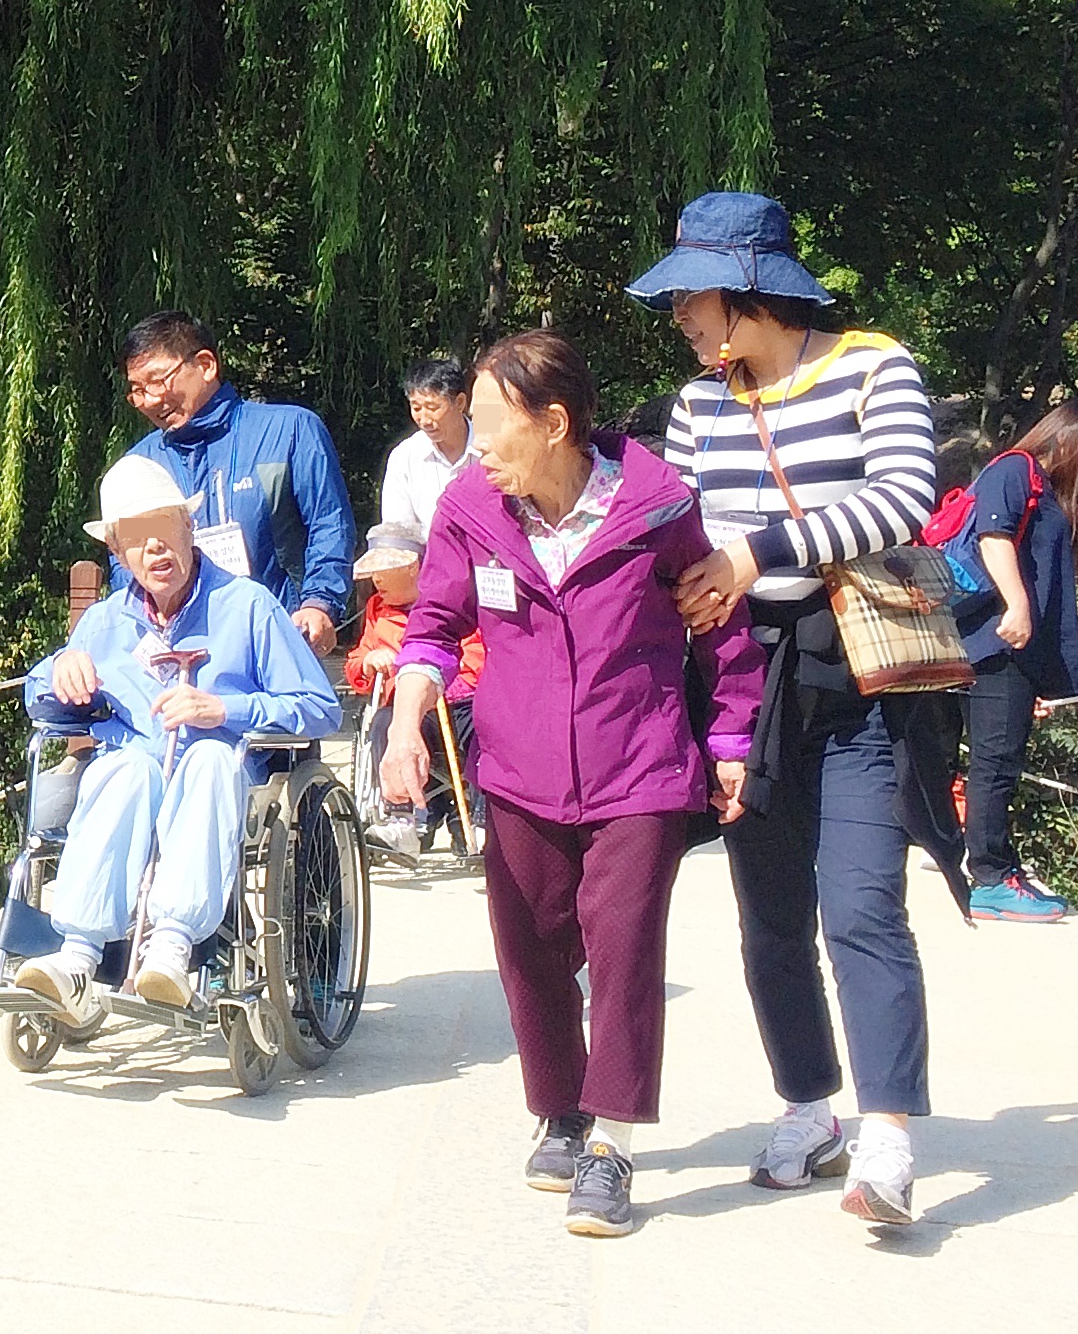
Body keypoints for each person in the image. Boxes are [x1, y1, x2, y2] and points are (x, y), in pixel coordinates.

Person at [383, 331, 761, 1239]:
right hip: (518, 769)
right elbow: (432, 625)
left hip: (638, 766)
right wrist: (403, 724)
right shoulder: (471, 507)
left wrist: (731, 735)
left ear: (552, 423)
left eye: (488, 424)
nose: (474, 444)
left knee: (623, 950)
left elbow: (719, 622)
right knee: (529, 945)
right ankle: (559, 1110)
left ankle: (611, 1144)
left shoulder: (655, 507)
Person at [632, 189, 963, 1227]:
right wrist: (685, 579)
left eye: (690, 297)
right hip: (742, 678)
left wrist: (753, 553)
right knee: (769, 919)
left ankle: (887, 1137)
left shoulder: (872, 365)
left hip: (854, 674)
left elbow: (902, 497)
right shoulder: (697, 404)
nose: (678, 317)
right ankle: (807, 1104)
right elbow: (675, 522)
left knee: (862, 906)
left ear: (748, 291)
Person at [14, 456, 342, 1017]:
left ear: (190, 529)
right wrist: (58, 670)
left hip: (225, 780)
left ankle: (171, 948)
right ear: (117, 551)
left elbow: (320, 708)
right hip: (134, 779)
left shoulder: (248, 606)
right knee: (123, 767)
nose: (155, 549)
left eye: (166, 529)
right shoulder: (104, 623)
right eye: (136, 539)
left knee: (209, 756)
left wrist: (225, 708)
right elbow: (38, 700)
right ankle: (77, 956)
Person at [120, 311, 358, 656]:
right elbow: (124, 557)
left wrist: (319, 602)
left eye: (157, 382)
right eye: (137, 391)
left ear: (206, 365)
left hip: (279, 639)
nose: (149, 401)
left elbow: (329, 523)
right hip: (179, 650)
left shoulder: (289, 431)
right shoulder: (140, 464)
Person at [957, 403, 1078, 922]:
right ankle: (990, 877)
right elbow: (994, 536)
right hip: (998, 640)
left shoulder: (1049, 491)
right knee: (995, 764)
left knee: (998, 759)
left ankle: (992, 866)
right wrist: (1017, 606)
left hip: (1019, 648)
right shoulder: (1014, 469)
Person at [347, 520, 480, 857]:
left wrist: (434, 680)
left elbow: (477, 654)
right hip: (407, 711)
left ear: (412, 567)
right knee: (383, 723)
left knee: (487, 724)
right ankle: (401, 820)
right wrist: (368, 661)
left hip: (458, 700)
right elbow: (357, 661)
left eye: (384, 570)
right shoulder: (377, 610)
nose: (376, 579)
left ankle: (481, 819)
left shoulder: (454, 602)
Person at [381, 359, 477, 537]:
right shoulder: (404, 457)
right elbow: (398, 533)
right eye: (416, 408)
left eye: (432, 408)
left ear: (460, 402)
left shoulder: (492, 449)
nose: (424, 420)